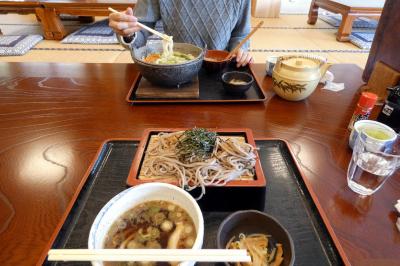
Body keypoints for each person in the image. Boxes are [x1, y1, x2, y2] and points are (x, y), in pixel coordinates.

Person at [109, 0, 253, 67]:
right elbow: (141, 28)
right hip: (174, 69)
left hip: (220, 68)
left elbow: (241, 33)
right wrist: (127, 33)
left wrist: (241, 49)